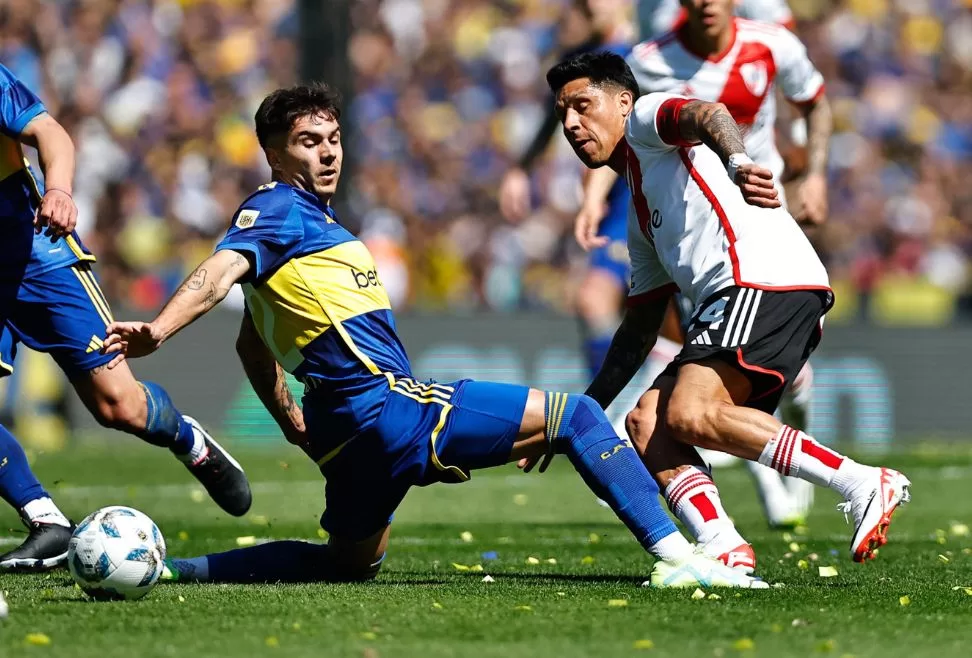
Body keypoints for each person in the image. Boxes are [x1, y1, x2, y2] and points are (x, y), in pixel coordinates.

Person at [103, 82, 765, 589]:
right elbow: (218, 274)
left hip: (344, 436)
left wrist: (292, 423)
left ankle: (170, 569)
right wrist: (159, 329)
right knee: (581, 415)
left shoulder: (298, 237)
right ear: (273, 152)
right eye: (309, 141)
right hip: (388, 407)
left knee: (348, 563)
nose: (329, 151)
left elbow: (252, 341)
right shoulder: (276, 211)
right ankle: (681, 559)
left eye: (333, 137)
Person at [545, 51, 909, 565]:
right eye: (563, 114)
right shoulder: (640, 208)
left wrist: (737, 161)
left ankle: (862, 481)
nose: (572, 124)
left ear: (623, 101)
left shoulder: (647, 119)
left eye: (583, 105)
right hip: (741, 296)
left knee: (690, 412)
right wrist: (579, 414)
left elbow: (708, 114)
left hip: (763, 280)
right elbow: (638, 329)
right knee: (647, 420)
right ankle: (723, 544)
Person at [578, 0, 832, 529]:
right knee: (681, 392)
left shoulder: (772, 43)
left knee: (698, 399)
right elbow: (617, 137)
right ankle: (739, 526)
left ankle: (829, 478)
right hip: (692, 222)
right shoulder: (650, 61)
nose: (705, 4)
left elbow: (814, 104)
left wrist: (815, 174)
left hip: (760, 206)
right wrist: (594, 197)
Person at [0, 64, 252, 573]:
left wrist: (60, 191)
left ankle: (187, 438)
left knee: (119, 408)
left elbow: (50, 132)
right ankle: (47, 522)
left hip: (36, 252)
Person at [498, 0, 635, 381]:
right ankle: (612, 412)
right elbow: (549, 120)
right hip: (613, 204)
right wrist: (520, 170)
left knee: (612, 304)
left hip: (648, 196)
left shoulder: (649, 54)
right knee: (597, 301)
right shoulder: (577, 60)